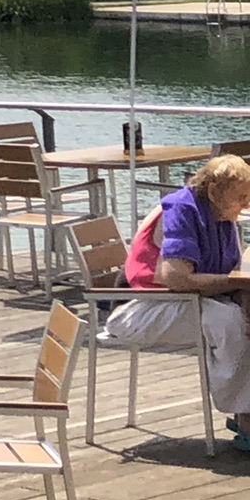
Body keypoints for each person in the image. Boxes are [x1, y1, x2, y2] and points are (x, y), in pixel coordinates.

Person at [98, 154, 250, 448]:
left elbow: (230, 271)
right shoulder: (180, 210)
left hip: (177, 303)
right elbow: (177, 279)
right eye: (241, 197)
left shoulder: (220, 215)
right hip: (137, 308)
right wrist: (237, 285)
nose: (246, 204)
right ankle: (245, 416)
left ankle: (244, 408)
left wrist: (241, 292)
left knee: (242, 318)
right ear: (216, 190)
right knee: (230, 323)